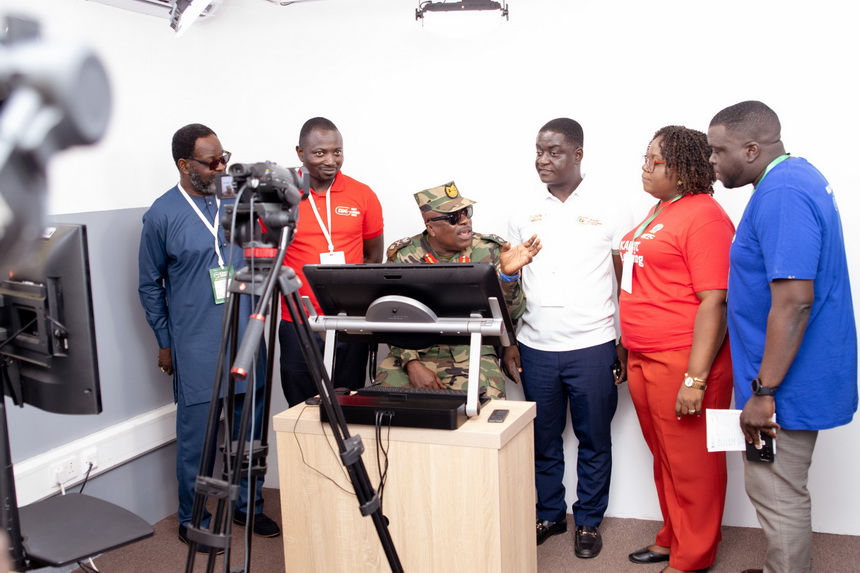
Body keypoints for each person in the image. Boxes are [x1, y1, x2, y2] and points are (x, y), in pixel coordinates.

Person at [708, 101, 857, 573]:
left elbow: (794, 301)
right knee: (777, 489)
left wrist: (764, 392)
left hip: (783, 381)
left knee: (776, 491)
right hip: (790, 371)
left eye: (718, 150)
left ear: (752, 149)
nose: (712, 161)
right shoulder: (795, 177)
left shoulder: (782, 194)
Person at [138, 124, 280, 553]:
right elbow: (149, 285)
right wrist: (165, 341)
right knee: (198, 442)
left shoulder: (237, 204)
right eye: (211, 161)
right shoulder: (161, 215)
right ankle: (193, 518)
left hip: (246, 333)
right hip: (197, 343)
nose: (222, 167)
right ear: (185, 165)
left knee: (249, 433)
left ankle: (248, 506)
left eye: (224, 157)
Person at [504, 118, 633, 558]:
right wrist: (508, 342)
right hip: (535, 345)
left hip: (593, 345)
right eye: (539, 150)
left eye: (554, 151)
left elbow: (626, 282)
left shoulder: (611, 207)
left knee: (595, 437)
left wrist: (623, 339)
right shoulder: (522, 208)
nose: (542, 159)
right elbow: (509, 281)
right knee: (543, 438)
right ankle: (551, 513)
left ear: (578, 154)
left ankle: (590, 520)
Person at [618, 126, 735, 573]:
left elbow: (716, 300)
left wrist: (695, 378)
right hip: (646, 357)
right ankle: (673, 537)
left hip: (684, 359)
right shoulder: (660, 209)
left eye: (656, 160)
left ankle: (693, 557)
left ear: (684, 169)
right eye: (645, 158)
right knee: (665, 458)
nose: (646, 167)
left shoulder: (704, 216)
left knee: (693, 465)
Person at [374, 182, 540, 398]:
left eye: (466, 212)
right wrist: (411, 363)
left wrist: (508, 278)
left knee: (486, 410)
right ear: (431, 227)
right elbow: (390, 314)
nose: (465, 221)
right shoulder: (404, 256)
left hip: (473, 349)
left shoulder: (489, 251)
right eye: (453, 217)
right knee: (380, 406)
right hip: (413, 350)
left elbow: (513, 314)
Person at [279, 117, 384, 407]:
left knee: (349, 405)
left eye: (337, 152)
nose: (331, 160)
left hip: (350, 323)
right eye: (320, 153)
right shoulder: (281, 195)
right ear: (300, 153)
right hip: (298, 322)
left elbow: (373, 257)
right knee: (301, 410)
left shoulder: (362, 194)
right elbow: (265, 255)